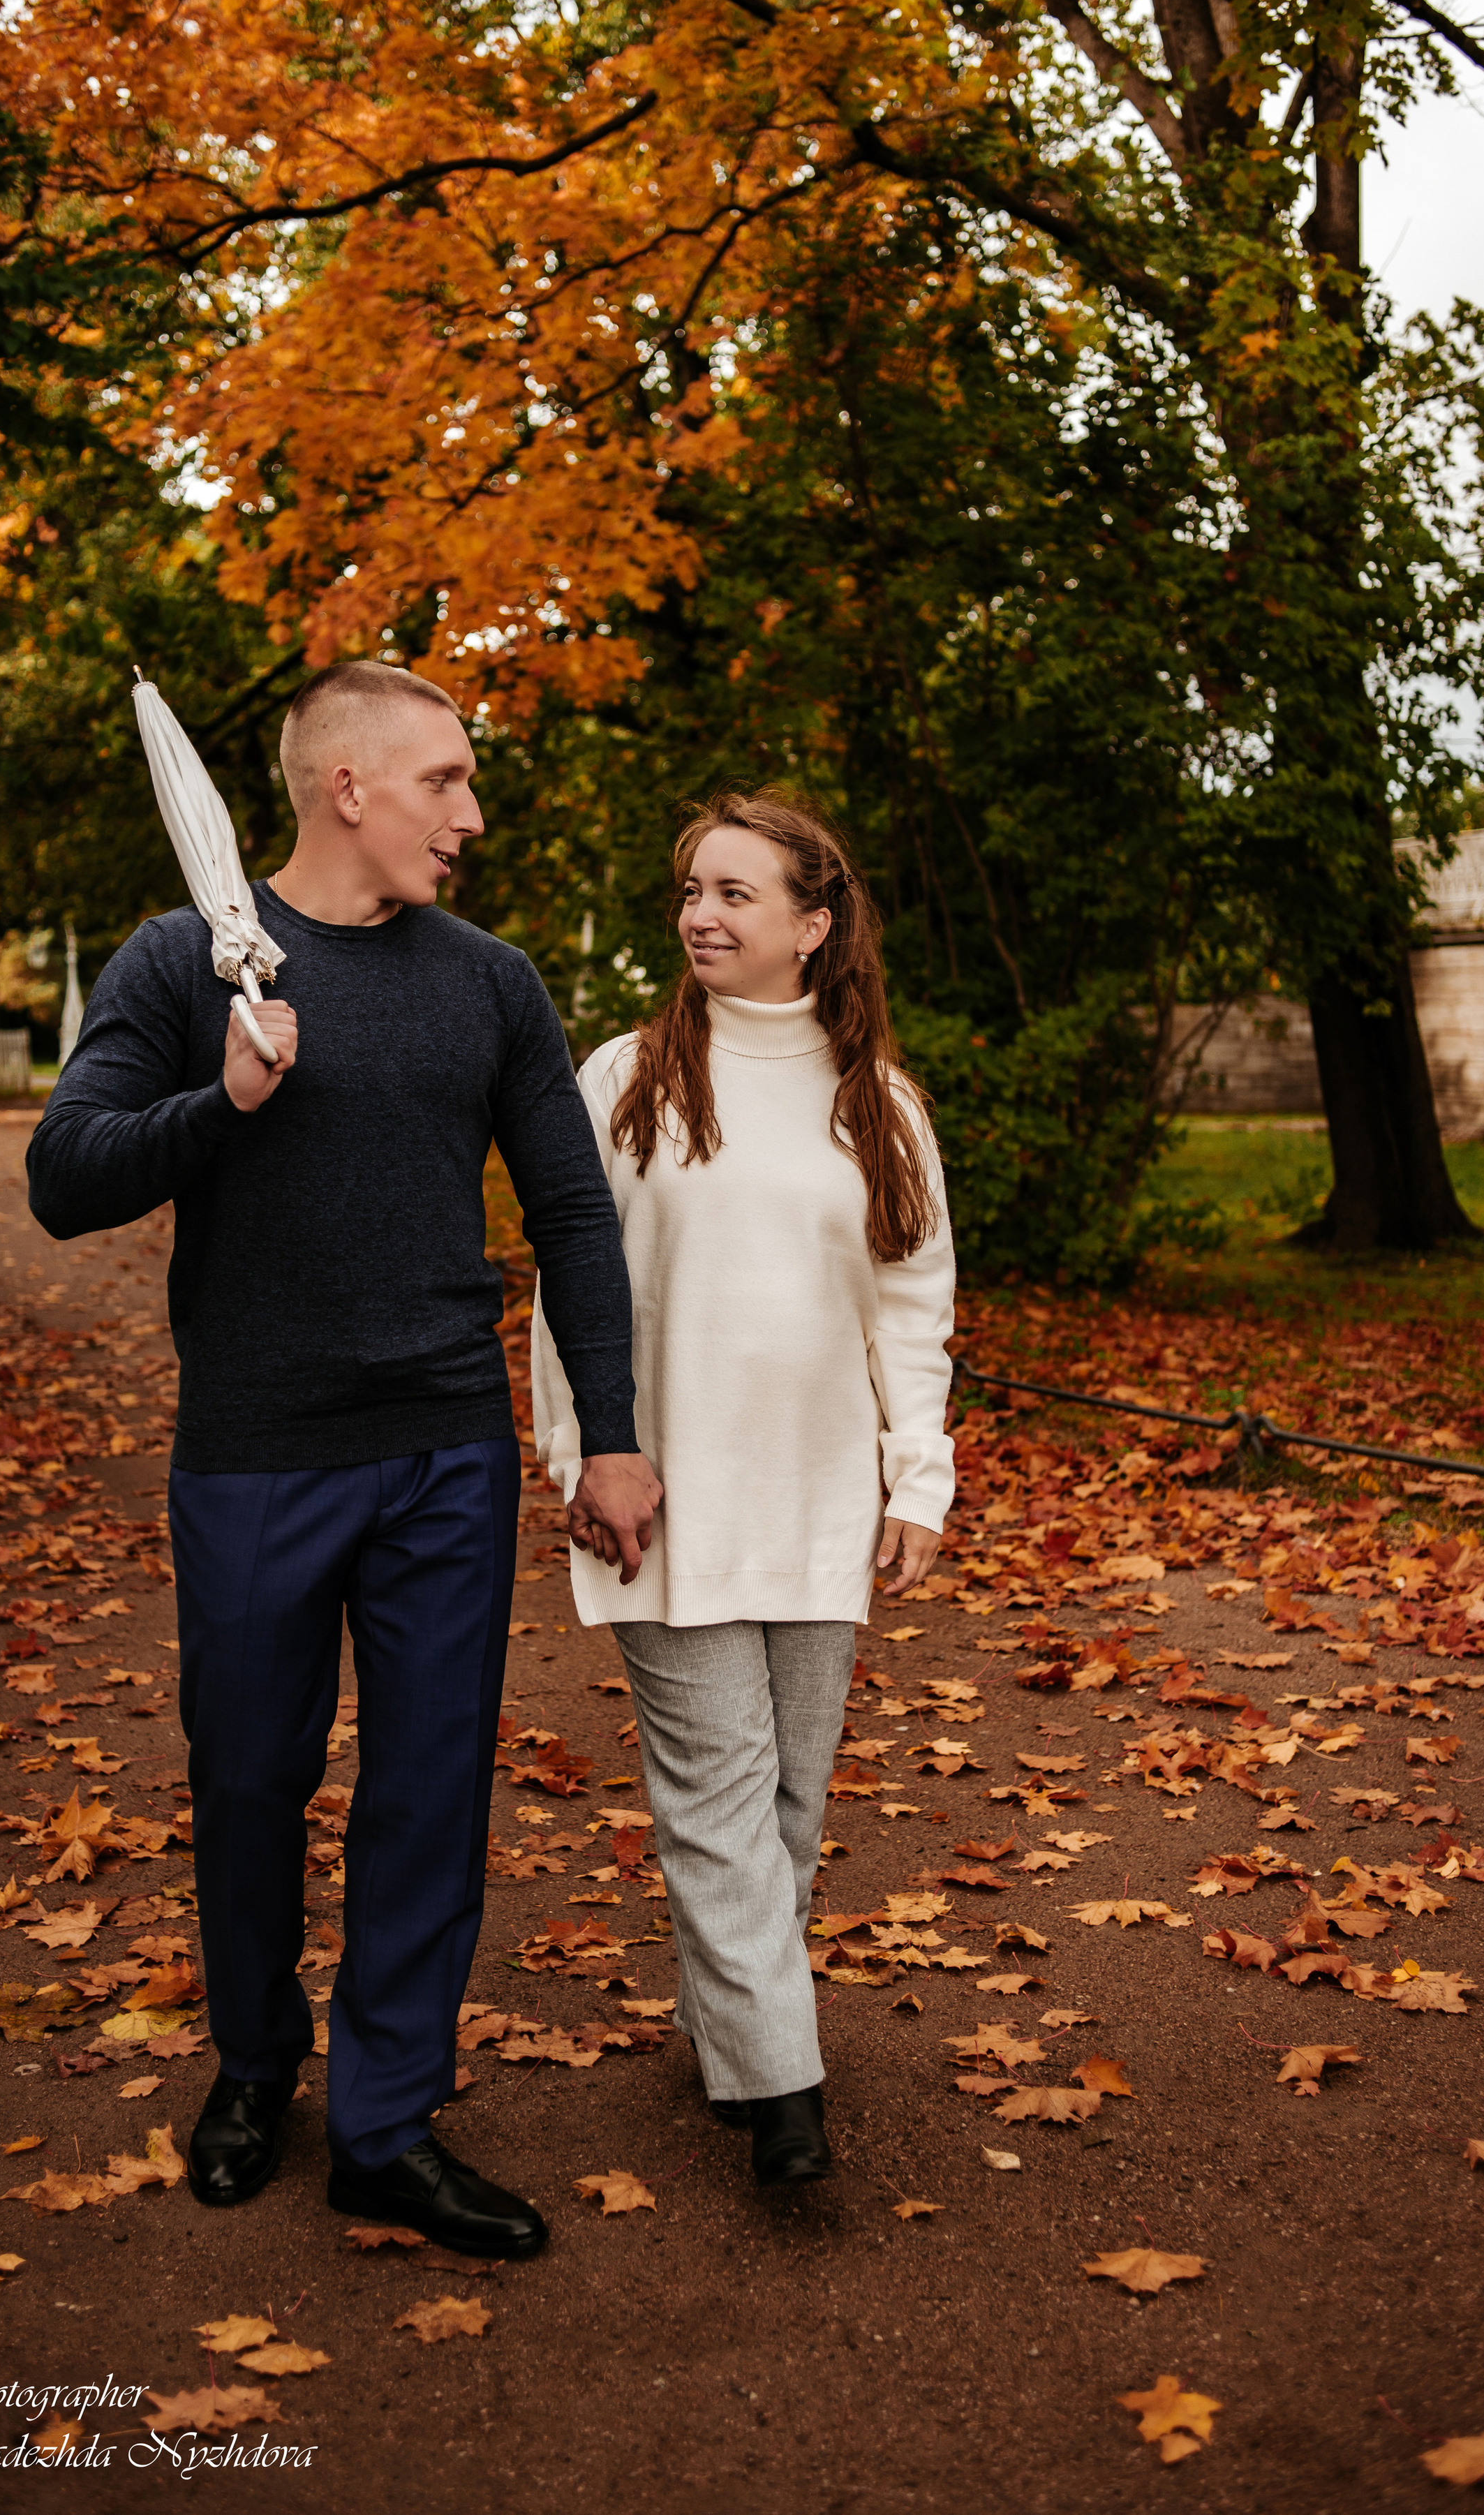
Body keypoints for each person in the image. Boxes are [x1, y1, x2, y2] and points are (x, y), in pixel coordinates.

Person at [27, 660, 662, 2260]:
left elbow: (573, 1214)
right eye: (441, 780)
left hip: (443, 1447)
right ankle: (254, 2063)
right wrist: (222, 1099)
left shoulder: (493, 981)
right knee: (250, 1782)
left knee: (431, 1794)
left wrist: (617, 1435)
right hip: (254, 1451)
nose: (467, 811)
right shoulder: (185, 963)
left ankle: (386, 2122)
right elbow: (62, 1179)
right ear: (347, 789)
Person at [532, 792, 956, 2185]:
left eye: (733, 893)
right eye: (690, 891)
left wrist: (918, 1481)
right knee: (717, 1791)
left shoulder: (874, 1101)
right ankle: (784, 2100)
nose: (699, 915)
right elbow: (567, 1285)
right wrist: (575, 1450)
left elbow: (909, 1301)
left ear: (812, 926)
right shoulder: (628, 1077)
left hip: (818, 1500)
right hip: (664, 1493)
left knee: (787, 1802)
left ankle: (728, 2030)